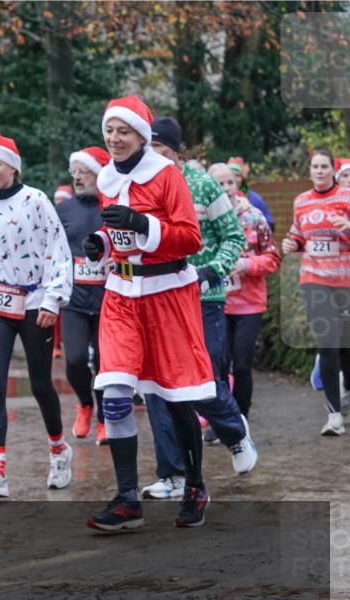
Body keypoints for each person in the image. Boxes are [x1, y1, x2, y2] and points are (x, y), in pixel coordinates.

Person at [83, 97, 214, 530]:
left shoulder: (166, 175)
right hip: (121, 294)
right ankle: (126, 499)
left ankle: (194, 485)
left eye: (123, 131)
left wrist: (143, 224)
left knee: (174, 396)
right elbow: (113, 231)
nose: (115, 139)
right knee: (115, 393)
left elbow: (190, 239)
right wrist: (101, 244)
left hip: (166, 294)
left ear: (142, 135)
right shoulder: (105, 177)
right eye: (110, 131)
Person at [139, 117, 258, 502]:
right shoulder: (137, 183)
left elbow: (234, 236)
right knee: (156, 386)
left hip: (202, 297)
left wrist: (212, 270)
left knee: (202, 377)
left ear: (175, 151)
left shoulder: (203, 183)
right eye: (148, 148)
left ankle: (235, 433)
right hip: (156, 296)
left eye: (159, 149)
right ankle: (172, 474)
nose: (152, 156)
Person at [0, 134, 74, 497]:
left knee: (41, 384)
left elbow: (59, 249)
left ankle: (59, 449)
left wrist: (53, 299)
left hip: (35, 302)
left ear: (12, 166)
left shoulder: (36, 200)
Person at [281, 148, 350, 435]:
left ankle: (346, 387)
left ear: (333, 170)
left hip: (345, 280)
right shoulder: (302, 201)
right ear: (309, 171)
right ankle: (334, 414)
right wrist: (292, 244)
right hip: (314, 279)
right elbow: (298, 233)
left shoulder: (346, 197)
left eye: (324, 166)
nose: (319, 171)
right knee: (328, 345)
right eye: (315, 167)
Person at [208, 163, 281, 419]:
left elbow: (273, 257)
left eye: (230, 182)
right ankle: (221, 419)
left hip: (249, 304)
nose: (226, 188)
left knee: (241, 365)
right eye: (220, 183)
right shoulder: (204, 220)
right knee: (217, 365)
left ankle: (240, 419)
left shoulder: (254, 217)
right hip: (215, 301)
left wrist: (246, 265)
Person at [57, 146, 112, 446]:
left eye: (84, 171)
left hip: (108, 301)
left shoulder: (113, 206)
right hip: (75, 301)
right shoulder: (64, 211)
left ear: (99, 174)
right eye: (74, 172)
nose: (78, 177)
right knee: (75, 361)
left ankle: (104, 417)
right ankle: (84, 404)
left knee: (105, 364)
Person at [227, 157, 275, 231]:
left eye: (237, 175)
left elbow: (269, 224)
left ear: (243, 178)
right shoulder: (219, 199)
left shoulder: (254, 198)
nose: (234, 178)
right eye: (230, 175)